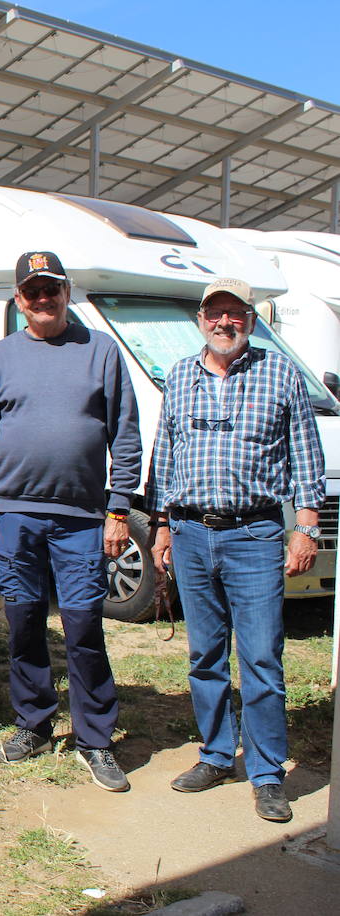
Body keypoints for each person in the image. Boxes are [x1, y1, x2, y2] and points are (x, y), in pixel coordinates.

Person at [147, 278, 323, 823]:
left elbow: (305, 452)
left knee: (262, 657)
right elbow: (166, 454)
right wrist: (161, 526)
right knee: (205, 656)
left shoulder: (280, 373)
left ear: (250, 318)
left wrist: (306, 525)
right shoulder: (179, 376)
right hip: (193, 533)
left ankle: (268, 772)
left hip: (255, 535)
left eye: (235, 313)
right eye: (214, 313)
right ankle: (218, 754)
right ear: (200, 319)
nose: (225, 322)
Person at [0, 251, 139, 792]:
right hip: (16, 516)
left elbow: (127, 436)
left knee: (84, 625)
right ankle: (34, 724)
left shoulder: (102, 352)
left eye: (52, 289)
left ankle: (94, 738)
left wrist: (118, 509)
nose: (43, 299)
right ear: (19, 300)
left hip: (83, 519)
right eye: (32, 291)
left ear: (67, 293)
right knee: (22, 625)